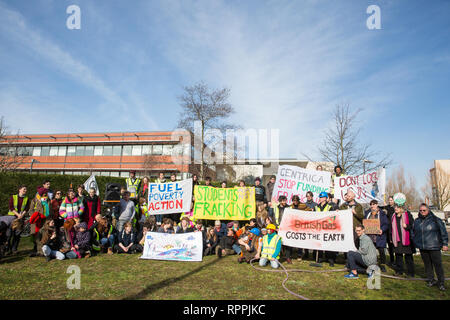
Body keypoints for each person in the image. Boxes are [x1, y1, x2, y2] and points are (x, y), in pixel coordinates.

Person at [413, 203, 448, 291]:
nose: (422, 212)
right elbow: (413, 232)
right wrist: (415, 241)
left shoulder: (436, 220)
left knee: (438, 266)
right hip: (423, 247)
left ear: (428, 210)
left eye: (424, 210)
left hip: (434, 246)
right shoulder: (417, 221)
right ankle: (431, 280)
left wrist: (445, 244)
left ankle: (441, 283)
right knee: (427, 265)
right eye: (420, 210)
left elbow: (443, 232)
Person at [390, 193, 415, 277]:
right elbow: (391, 228)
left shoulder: (407, 215)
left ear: (401, 208)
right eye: (395, 207)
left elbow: (413, 226)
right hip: (397, 240)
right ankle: (399, 271)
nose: (395, 209)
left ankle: (410, 272)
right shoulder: (393, 216)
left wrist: (407, 226)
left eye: (397, 207)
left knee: (408, 257)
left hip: (406, 240)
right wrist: (391, 237)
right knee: (398, 256)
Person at [364, 200, 389, 272]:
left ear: (377, 205)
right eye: (371, 204)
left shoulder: (382, 213)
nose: (372, 206)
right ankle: (371, 265)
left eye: (374, 204)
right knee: (371, 252)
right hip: (370, 236)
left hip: (379, 236)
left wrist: (382, 230)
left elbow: (386, 224)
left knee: (381, 251)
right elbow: (365, 222)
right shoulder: (367, 213)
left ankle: (383, 265)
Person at [28, 188, 52, 257]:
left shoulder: (48, 200)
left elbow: (51, 211)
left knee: (44, 235)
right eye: (44, 193)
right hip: (37, 221)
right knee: (37, 236)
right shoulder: (34, 200)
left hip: (46, 221)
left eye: (46, 193)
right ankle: (39, 251)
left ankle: (44, 251)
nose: (46, 194)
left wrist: (50, 219)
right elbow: (30, 211)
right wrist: (36, 216)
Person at [315, 192, 337, 266]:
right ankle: (320, 258)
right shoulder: (316, 207)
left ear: (325, 198)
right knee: (319, 243)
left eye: (321, 197)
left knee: (328, 243)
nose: (320, 199)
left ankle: (330, 259)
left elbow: (332, 217)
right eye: (320, 197)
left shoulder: (329, 207)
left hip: (327, 227)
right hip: (318, 227)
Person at [7, 185, 29, 254]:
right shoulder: (13, 197)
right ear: (19, 190)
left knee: (17, 234)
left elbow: (26, 208)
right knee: (9, 234)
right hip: (12, 218)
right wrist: (18, 215)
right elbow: (11, 207)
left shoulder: (27, 198)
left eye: (26, 189)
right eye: (24, 189)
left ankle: (14, 249)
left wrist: (21, 215)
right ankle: (7, 249)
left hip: (20, 218)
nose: (25, 190)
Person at [380, 196, 396, 267]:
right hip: (385, 229)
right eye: (389, 200)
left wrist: (387, 212)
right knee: (385, 245)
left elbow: (391, 215)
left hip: (391, 229)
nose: (390, 201)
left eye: (391, 200)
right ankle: (385, 259)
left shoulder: (395, 208)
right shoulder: (386, 207)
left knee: (391, 245)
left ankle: (393, 260)